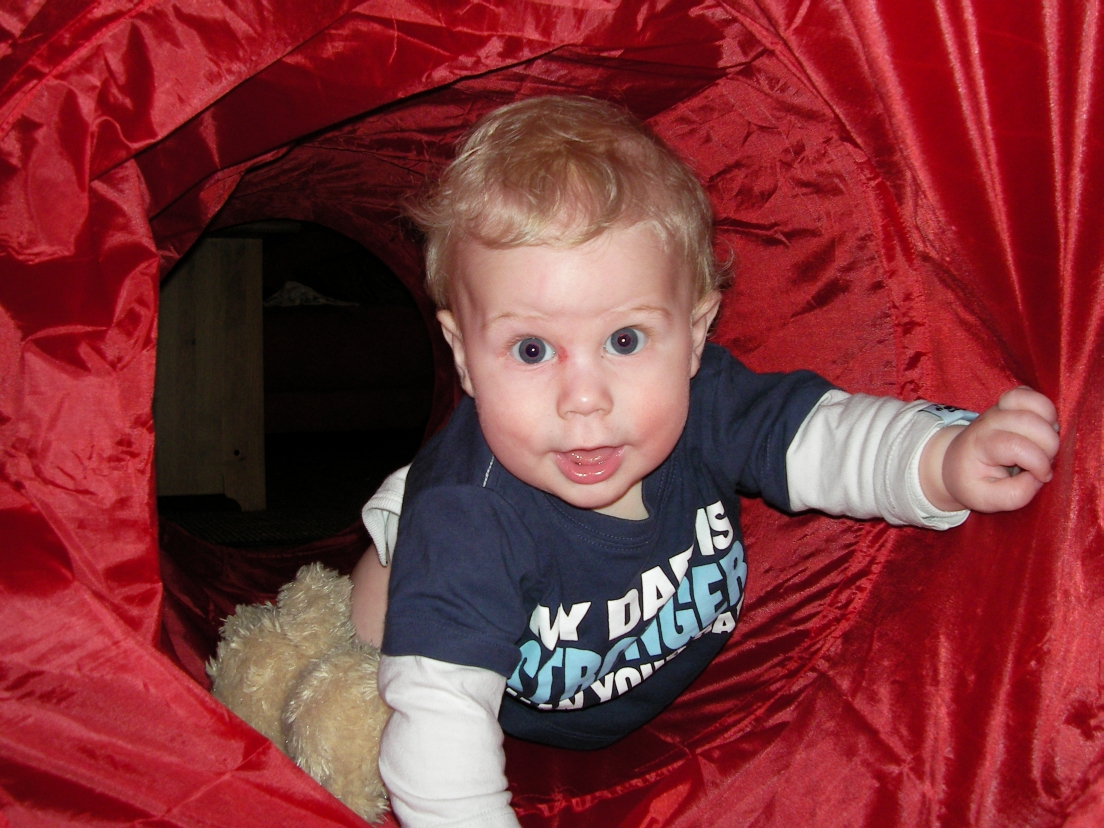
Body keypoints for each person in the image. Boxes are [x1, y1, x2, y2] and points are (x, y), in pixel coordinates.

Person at [348, 96, 1060, 827]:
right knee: (378, 629)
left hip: (647, 705)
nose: (585, 399)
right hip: (454, 622)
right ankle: (395, 535)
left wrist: (943, 458)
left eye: (625, 340)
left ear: (695, 335)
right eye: (532, 350)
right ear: (463, 355)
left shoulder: (704, 402)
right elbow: (438, 723)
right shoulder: (469, 521)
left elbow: (821, 437)